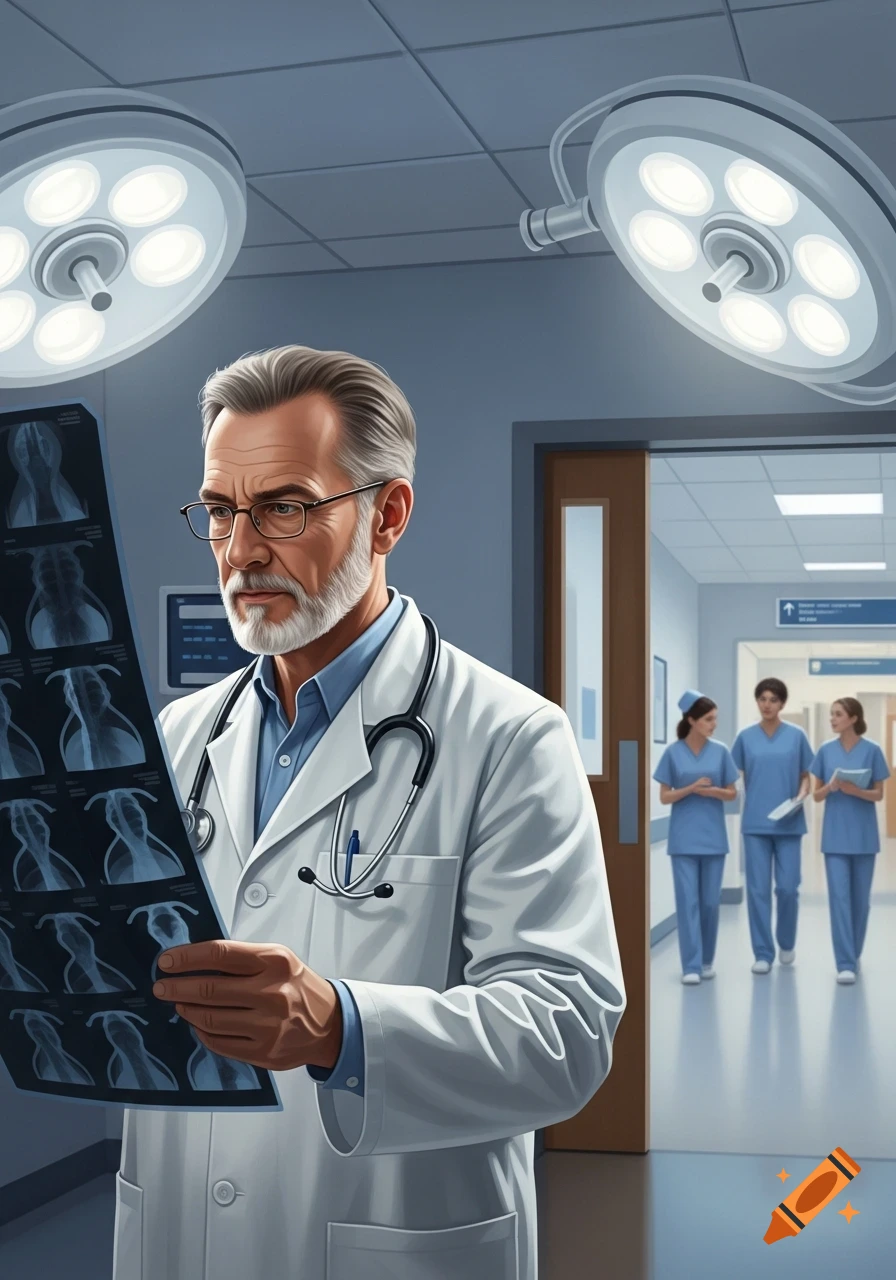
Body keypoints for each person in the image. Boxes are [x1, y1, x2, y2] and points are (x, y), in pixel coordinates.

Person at [112, 345, 625, 1280]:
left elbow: (566, 1033)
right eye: (221, 511)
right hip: (178, 1232)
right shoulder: (180, 736)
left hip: (393, 1242)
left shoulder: (508, 736)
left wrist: (338, 1027)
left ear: (387, 514)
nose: (242, 550)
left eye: (285, 506)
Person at [653, 690, 738, 985]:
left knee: (709, 903)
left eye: (715, 719)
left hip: (713, 838)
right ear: (692, 720)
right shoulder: (673, 753)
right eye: (708, 719)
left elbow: (732, 792)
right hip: (683, 839)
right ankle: (690, 966)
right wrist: (690, 789)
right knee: (687, 901)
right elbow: (664, 797)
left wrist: (713, 792)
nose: (714, 724)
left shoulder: (721, 751)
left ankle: (705, 960)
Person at [731, 678, 813, 976]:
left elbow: (807, 775)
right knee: (757, 890)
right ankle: (763, 953)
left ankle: (787, 942)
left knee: (788, 889)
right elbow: (732, 773)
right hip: (755, 825)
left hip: (790, 824)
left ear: (782, 704)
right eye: (762, 699)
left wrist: (803, 794)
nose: (767, 704)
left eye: (773, 699)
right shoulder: (745, 737)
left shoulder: (796, 736)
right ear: (757, 702)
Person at [809, 697, 889, 985]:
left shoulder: (873, 751)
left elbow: (879, 794)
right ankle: (844, 962)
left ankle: (854, 953)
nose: (832, 719)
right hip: (834, 838)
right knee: (839, 899)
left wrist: (856, 791)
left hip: (865, 837)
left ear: (853, 718)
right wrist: (830, 787)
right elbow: (815, 796)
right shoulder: (825, 751)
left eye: (837, 714)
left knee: (860, 902)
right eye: (831, 714)